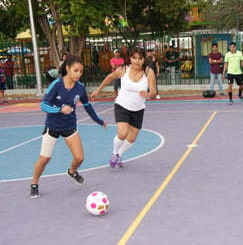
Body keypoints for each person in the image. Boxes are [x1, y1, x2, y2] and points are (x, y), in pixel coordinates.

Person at [30, 55, 107, 199]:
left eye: (81, 71)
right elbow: (43, 105)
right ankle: (34, 184)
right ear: (67, 69)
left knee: (79, 158)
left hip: (69, 126)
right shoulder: (56, 85)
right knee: (44, 159)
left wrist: (98, 120)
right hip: (52, 126)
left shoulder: (80, 88)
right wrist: (60, 109)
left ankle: (72, 171)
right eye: (75, 70)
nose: (78, 74)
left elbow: (87, 105)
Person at [91, 47, 157, 168]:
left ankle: (119, 154)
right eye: (134, 58)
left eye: (140, 58)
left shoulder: (148, 72)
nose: (137, 61)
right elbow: (110, 77)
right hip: (122, 105)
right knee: (122, 134)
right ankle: (115, 153)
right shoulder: (123, 69)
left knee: (132, 138)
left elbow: (154, 92)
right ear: (130, 59)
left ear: (144, 59)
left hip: (138, 109)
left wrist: (148, 94)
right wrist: (98, 90)